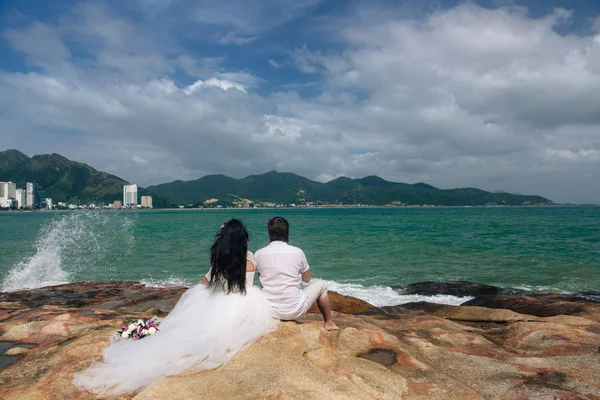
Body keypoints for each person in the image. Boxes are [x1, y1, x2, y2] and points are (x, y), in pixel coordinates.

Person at [74, 219, 278, 397]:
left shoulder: (220, 257)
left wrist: (186, 302)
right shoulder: (250, 258)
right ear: (243, 239)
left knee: (185, 329)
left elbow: (206, 281)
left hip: (220, 299)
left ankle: (144, 333)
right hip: (244, 301)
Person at [255, 217, 340, 331]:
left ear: (269, 233)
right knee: (321, 285)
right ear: (287, 233)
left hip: (270, 311)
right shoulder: (297, 252)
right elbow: (307, 279)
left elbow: (259, 275)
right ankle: (328, 323)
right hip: (294, 309)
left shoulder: (259, 254)